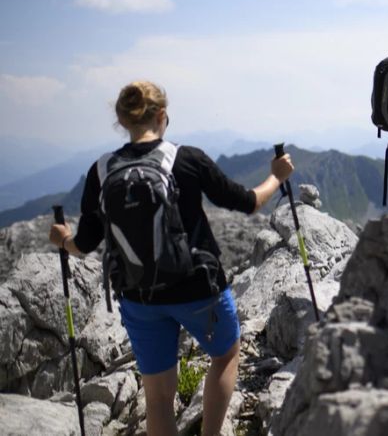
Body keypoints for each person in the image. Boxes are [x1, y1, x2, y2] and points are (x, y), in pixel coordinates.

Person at [48, 81, 293, 436]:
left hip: (139, 296)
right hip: (198, 290)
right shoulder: (188, 159)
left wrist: (63, 239)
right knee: (225, 354)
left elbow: (84, 245)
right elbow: (249, 201)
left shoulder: (100, 171)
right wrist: (277, 176)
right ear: (162, 116)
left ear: (123, 122)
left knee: (158, 398)